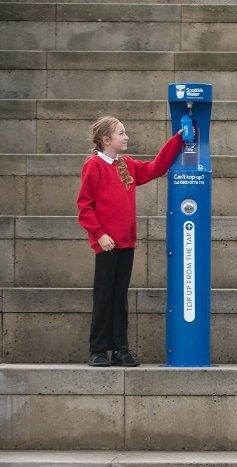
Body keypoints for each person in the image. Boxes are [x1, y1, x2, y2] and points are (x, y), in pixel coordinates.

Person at [77, 116, 184, 367]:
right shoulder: (94, 165)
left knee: (120, 296)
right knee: (104, 296)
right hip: (106, 243)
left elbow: (155, 168)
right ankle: (98, 349)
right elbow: (84, 206)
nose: (126, 137)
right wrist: (99, 234)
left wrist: (178, 139)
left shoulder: (126, 165)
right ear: (106, 140)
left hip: (125, 242)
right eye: (121, 134)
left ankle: (120, 349)